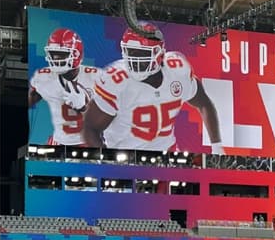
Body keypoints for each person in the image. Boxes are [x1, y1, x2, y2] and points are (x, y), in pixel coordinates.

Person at [84, 21, 224, 153]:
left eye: (142, 53)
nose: (135, 59)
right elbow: (90, 128)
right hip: (127, 158)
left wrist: (217, 147)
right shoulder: (116, 80)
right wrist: (108, 162)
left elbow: (204, 104)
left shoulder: (177, 71)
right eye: (131, 52)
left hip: (167, 155)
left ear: (159, 54)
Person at [29, 27, 101, 146]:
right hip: (59, 142)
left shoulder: (95, 77)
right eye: (53, 54)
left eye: (61, 54)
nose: (56, 59)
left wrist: (84, 107)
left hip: (88, 142)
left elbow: (110, 116)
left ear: (76, 54)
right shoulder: (43, 78)